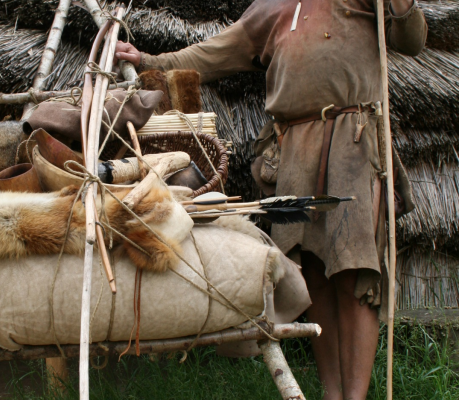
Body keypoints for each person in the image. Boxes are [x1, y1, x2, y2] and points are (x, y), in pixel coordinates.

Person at [115, 1, 427, 399]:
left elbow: (412, 39)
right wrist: (147, 59)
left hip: (353, 137)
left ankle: (356, 396)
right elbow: (212, 53)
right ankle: (333, 393)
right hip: (294, 144)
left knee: (353, 273)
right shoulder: (272, 7)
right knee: (311, 270)